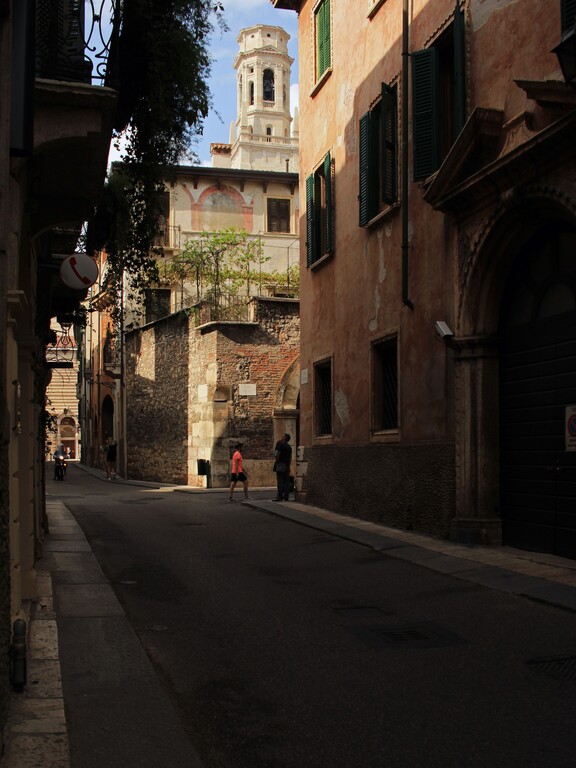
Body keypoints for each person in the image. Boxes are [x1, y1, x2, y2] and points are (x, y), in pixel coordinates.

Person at [273, 433, 292, 501]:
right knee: (286, 482)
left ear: (284, 438)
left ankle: (280, 496)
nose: (281, 437)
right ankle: (286, 497)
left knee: (280, 481)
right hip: (286, 465)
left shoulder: (280, 445)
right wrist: (289, 466)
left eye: (283, 436)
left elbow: (276, 454)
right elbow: (290, 458)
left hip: (280, 464)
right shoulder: (289, 447)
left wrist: (276, 459)